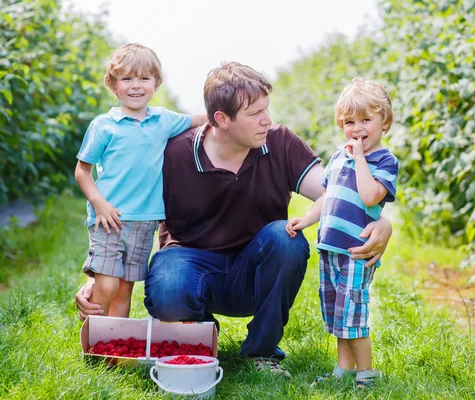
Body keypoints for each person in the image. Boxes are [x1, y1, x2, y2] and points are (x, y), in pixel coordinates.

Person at [75, 62, 393, 378]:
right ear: (222, 119)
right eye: (255, 114)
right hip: (191, 264)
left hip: (253, 269)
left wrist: (384, 223)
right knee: (169, 283)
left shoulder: (279, 142)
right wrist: (101, 275)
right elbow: (126, 202)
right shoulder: (176, 154)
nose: (267, 120)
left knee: (286, 239)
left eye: (266, 109)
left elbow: (337, 192)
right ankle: (201, 339)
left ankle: (262, 351)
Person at [74, 43, 205, 318]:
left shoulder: (163, 120)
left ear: (156, 83)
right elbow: (82, 171)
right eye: (127, 78)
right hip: (109, 217)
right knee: (107, 284)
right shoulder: (104, 125)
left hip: (145, 221)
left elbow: (199, 119)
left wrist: (228, 111)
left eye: (144, 78)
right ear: (112, 84)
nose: (136, 85)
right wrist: (99, 204)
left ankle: (115, 350)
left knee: (124, 290)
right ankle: (93, 345)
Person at [286, 78, 398, 388]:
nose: (357, 128)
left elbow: (370, 196)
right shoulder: (338, 157)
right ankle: (344, 367)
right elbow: (326, 197)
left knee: (354, 312)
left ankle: (366, 373)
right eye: (350, 122)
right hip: (330, 248)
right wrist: (305, 219)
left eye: (366, 120)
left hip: (357, 250)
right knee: (337, 312)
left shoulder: (384, 161)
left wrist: (360, 157)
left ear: (384, 122)